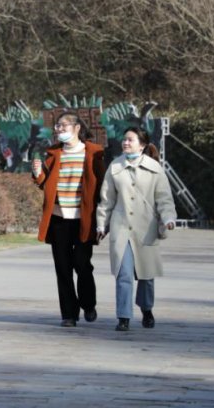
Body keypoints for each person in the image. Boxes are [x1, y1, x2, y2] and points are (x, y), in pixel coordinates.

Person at [95, 126, 178, 332]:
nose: (125, 143)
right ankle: (123, 316)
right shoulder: (114, 167)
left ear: (142, 145)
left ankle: (147, 309)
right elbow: (106, 200)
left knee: (145, 275)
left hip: (146, 228)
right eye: (124, 140)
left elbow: (164, 199)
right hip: (121, 227)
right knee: (123, 275)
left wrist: (168, 219)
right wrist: (101, 224)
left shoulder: (155, 168)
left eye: (130, 140)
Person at [31, 111, 107, 327]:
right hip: (58, 218)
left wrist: (104, 216)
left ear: (77, 128)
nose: (59, 130)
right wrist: (38, 173)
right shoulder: (53, 153)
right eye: (57, 126)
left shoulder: (93, 153)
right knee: (62, 267)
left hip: (83, 219)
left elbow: (103, 185)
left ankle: (88, 304)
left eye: (63, 126)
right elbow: (44, 183)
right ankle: (69, 314)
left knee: (82, 265)